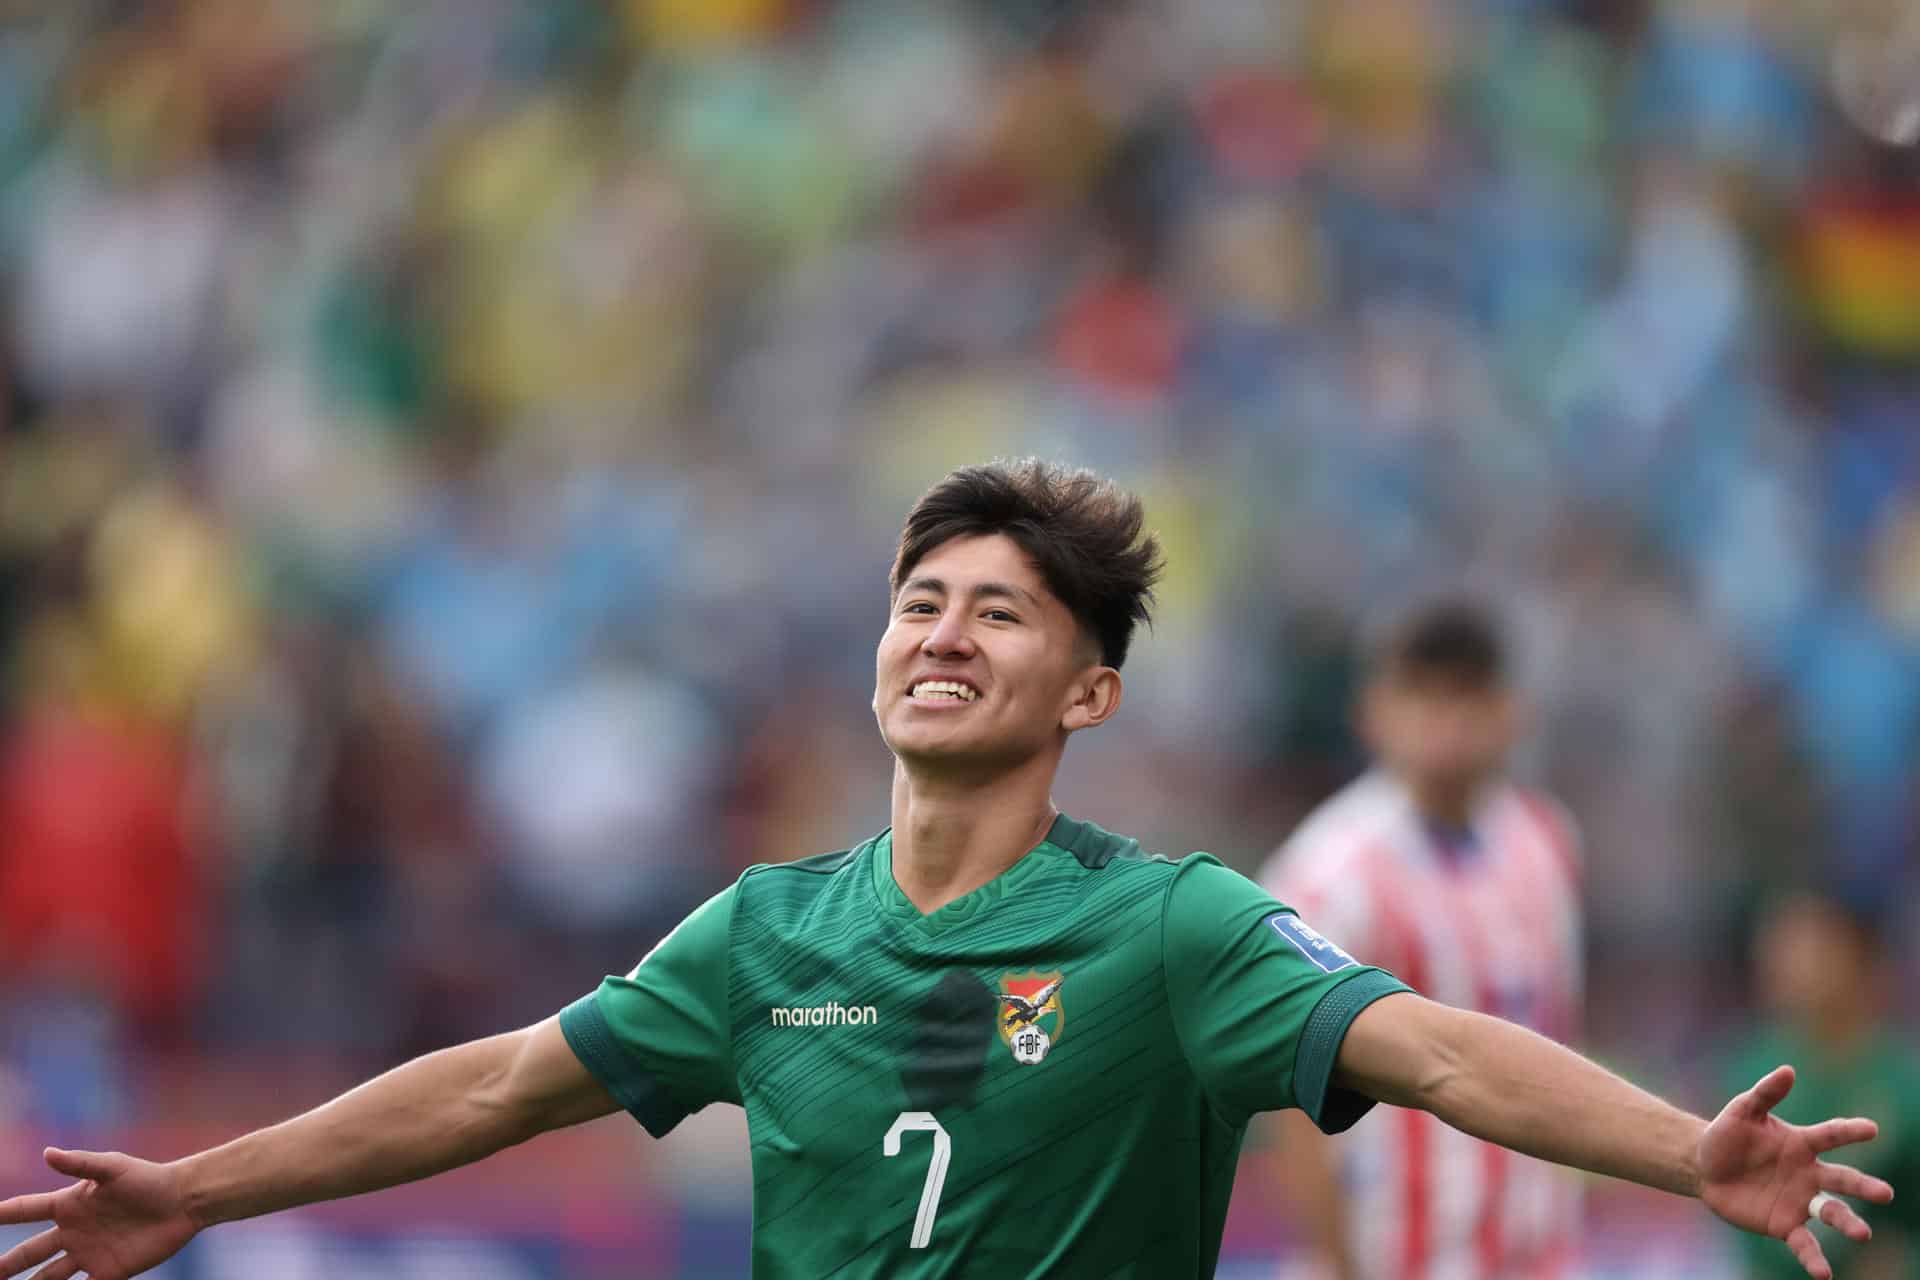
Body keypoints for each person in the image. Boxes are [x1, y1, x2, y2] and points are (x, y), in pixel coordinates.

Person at [0, 461, 1895, 1280]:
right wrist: (203, 1190)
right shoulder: (765, 932)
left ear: (1093, 686)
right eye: (921, 601)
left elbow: (1447, 1055)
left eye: (1000, 610)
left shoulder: (1179, 928)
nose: (943, 634)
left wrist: (1681, 1150)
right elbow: (497, 1084)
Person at [1255, 601, 1585, 1279]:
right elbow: (1290, 1098)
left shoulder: (1544, 843)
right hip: (1400, 1258)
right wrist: (1339, 1260)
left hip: (1541, 1253)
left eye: (1467, 696)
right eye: (1423, 696)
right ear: (1373, 711)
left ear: (1509, 711)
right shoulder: (1327, 874)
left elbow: (1560, 1033)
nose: (1446, 723)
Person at [1722, 891, 1920, 1279]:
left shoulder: (1903, 1084)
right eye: (1780, 951)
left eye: (1810, 950)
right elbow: (1740, 1213)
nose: (1792, 967)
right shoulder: (1752, 1078)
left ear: (1855, 957)